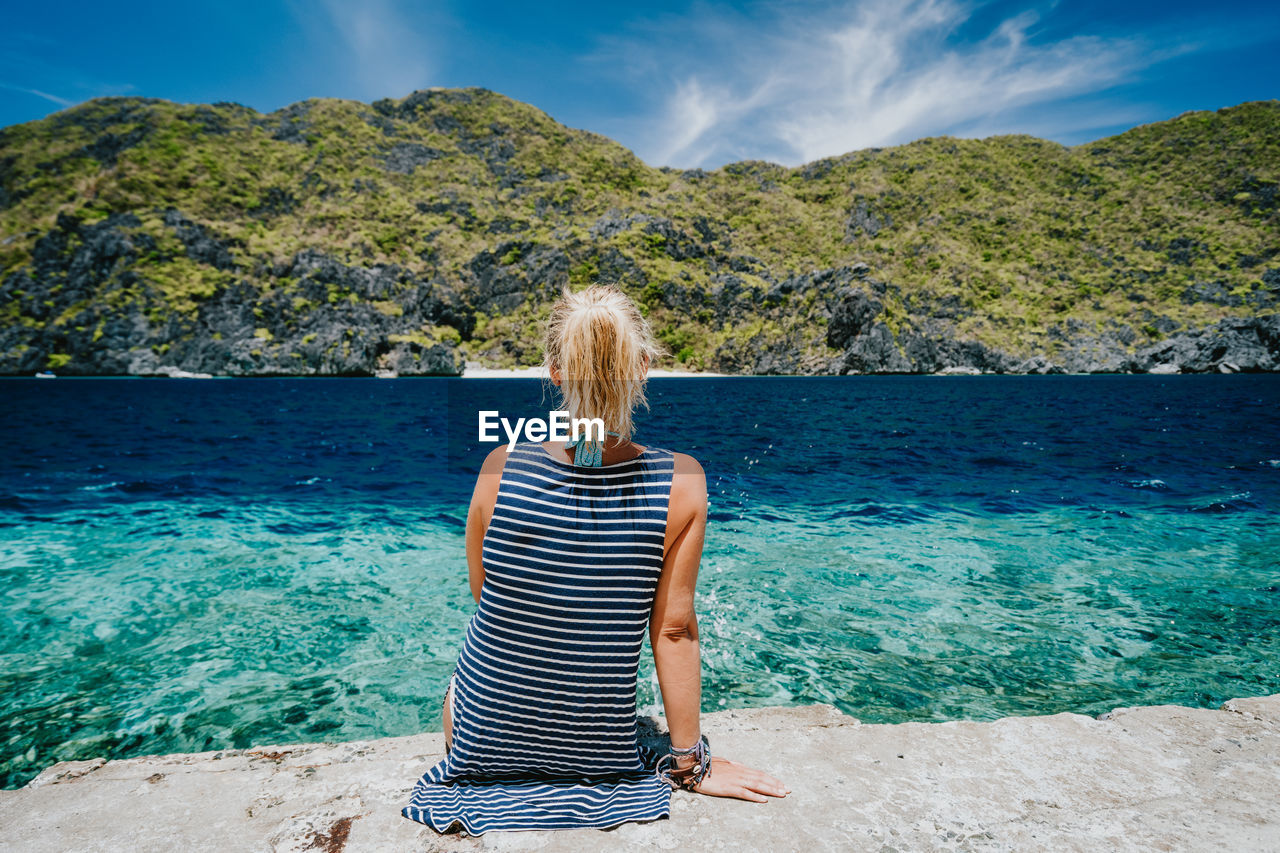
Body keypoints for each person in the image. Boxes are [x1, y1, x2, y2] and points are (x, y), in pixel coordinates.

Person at [402, 283, 788, 834]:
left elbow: (487, 596)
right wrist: (689, 765)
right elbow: (673, 631)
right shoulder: (682, 482)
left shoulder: (499, 465)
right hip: (595, 752)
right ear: (644, 367)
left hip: (479, 736)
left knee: (464, 682)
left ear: (555, 372)